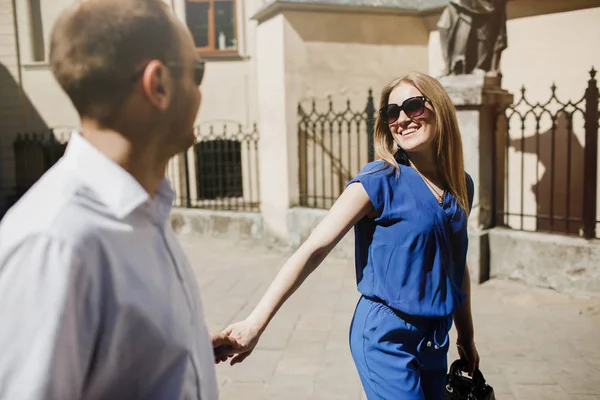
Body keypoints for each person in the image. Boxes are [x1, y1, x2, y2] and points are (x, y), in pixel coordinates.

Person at [0, 1, 236, 399]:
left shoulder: (143, 208)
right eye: (197, 72)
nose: (199, 91)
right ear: (157, 84)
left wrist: (183, 347)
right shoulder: (55, 241)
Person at [221, 72, 480, 399]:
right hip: (386, 338)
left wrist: (465, 336)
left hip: (435, 340)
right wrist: (255, 323)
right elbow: (313, 248)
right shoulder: (379, 180)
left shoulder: (461, 185)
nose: (401, 119)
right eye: (391, 112)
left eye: (413, 106)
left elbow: (456, 266)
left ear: (439, 108)